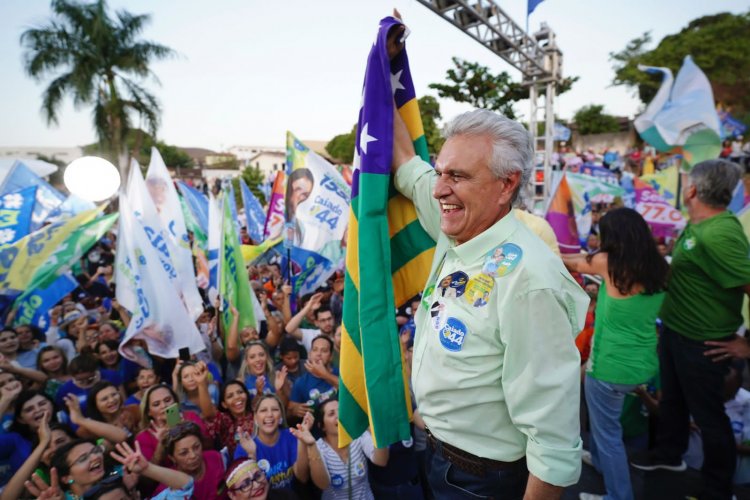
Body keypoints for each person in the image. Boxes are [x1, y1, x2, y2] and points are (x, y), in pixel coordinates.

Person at [390, 45, 588, 498]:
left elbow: (552, 442)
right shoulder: (454, 224)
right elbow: (404, 163)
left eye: (457, 176)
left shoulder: (530, 281)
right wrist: (384, 72)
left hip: (482, 481)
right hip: (437, 454)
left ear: (507, 184)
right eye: (440, 172)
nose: (440, 189)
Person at [630, 159, 750, 500]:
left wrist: (747, 346)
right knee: (674, 403)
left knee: (710, 418)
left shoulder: (721, 233)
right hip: (676, 332)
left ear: (694, 190)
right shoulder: (699, 224)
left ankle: (717, 488)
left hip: (704, 343)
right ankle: (668, 457)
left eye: (685, 182)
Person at [562, 208, 669, 500]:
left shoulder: (608, 263)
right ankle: (598, 462)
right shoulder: (659, 266)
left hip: (609, 367)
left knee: (609, 436)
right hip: (642, 364)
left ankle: (618, 495)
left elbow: (569, 261)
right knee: (603, 425)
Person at [291, 398, 388, 500]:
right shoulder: (318, 447)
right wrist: (311, 445)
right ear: (322, 426)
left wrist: (376, 432)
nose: (339, 416)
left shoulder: (358, 435)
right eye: (331, 414)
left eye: (341, 411)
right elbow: (322, 484)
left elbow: (381, 461)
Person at [234, 394, 308, 491]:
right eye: (263, 410)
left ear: (281, 416)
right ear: (255, 418)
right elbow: (247, 491)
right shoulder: (243, 448)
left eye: (275, 409)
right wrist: (252, 455)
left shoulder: (291, 436)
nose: (269, 414)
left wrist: (302, 441)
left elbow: (303, 477)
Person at [135, 384, 209, 463]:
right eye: (156, 404)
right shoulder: (143, 437)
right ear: (149, 412)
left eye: (167, 400)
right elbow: (148, 470)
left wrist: (187, 428)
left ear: (175, 401)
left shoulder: (190, 416)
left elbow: (209, 445)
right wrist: (161, 444)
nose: (164, 406)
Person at [154, 421, 225, 500]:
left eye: (196, 447)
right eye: (184, 453)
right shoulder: (168, 485)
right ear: (172, 458)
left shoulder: (215, 458)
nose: (193, 455)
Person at [289, 336, 338, 420]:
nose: (318, 354)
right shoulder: (301, 382)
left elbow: (350, 391)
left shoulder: (340, 374)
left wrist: (325, 375)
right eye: (315, 349)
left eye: (324, 351)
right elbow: (289, 410)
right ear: (309, 354)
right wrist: (294, 410)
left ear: (330, 356)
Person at [206, 380, 255, 458]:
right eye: (230, 396)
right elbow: (209, 415)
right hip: (238, 466)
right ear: (224, 404)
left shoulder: (257, 414)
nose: (237, 397)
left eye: (240, 392)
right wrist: (201, 384)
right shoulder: (224, 419)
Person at [224, 458, 299, 500]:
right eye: (246, 484)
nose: (257, 485)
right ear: (232, 496)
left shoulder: (285, 496)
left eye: (258, 476)